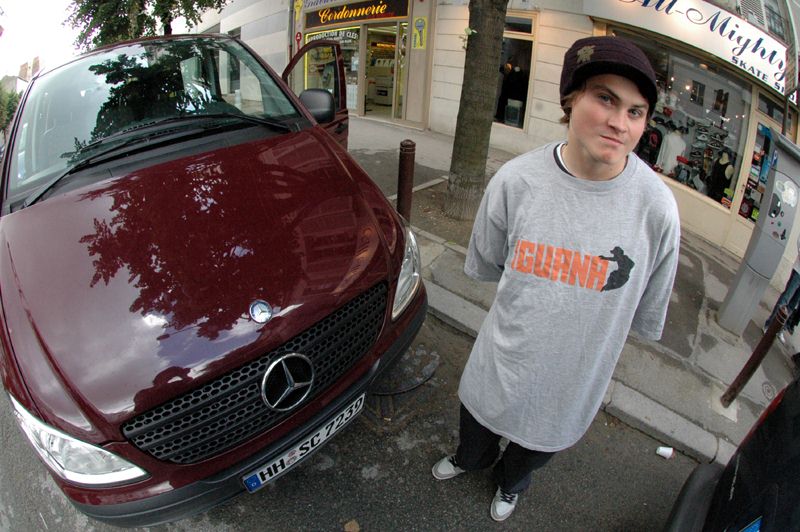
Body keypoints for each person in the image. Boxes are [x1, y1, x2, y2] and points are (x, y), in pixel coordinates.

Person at [431, 35, 681, 522]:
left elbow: (644, 314)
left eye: (635, 111)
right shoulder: (516, 181)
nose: (619, 122)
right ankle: (469, 460)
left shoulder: (657, 211)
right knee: (476, 435)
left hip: (572, 384)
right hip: (501, 363)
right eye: (605, 98)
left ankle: (510, 485)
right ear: (571, 100)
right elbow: (489, 264)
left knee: (529, 457)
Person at [764, 234, 800, 343]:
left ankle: (779, 329)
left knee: (792, 305)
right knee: (785, 299)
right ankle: (769, 325)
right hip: (798, 271)